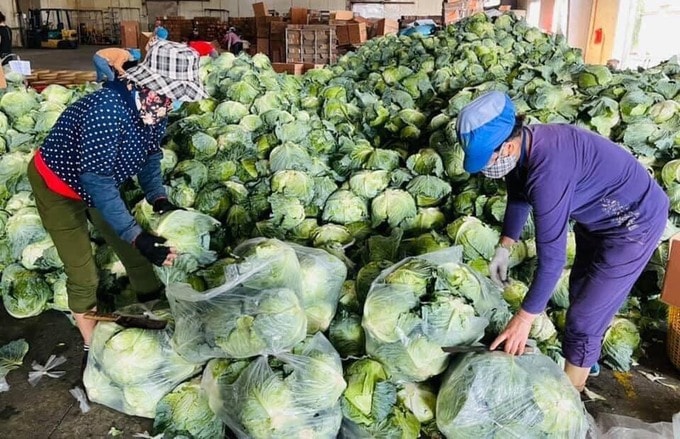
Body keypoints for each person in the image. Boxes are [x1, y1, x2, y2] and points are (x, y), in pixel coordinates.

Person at [455, 91, 668, 391]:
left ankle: (571, 397)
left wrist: (524, 319)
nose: (487, 169)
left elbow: (553, 261)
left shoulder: (549, 170)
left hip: (633, 223)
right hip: (596, 219)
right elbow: (518, 197)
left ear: (509, 145)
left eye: (488, 158)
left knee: (583, 318)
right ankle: (584, 355)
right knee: (581, 291)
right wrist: (505, 245)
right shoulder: (522, 151)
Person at [28, 40, 208, 364]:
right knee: (83, 273)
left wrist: (159, 198)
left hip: (102, 181)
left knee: (133, 253)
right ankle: (90, 349)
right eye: (176, 93)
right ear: (153, 85)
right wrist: (137, 235)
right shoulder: (108, 111)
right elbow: (95, 183)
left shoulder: (156, 107)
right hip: (57, 185)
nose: (177, 101)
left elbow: (151, 155)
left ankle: (156, 312)